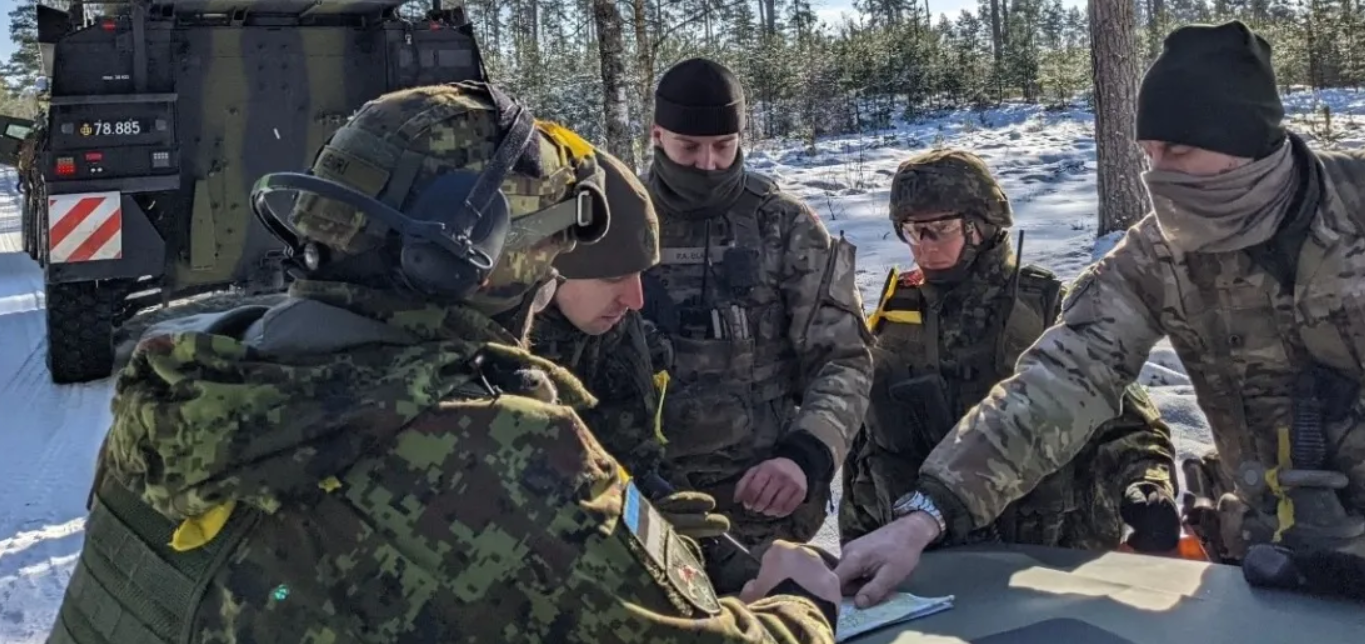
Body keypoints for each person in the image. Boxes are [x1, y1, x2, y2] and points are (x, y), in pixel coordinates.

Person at [47, 81, 842, 643]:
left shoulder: (184, 382)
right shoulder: (477, 443)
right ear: (470, 254)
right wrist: (802, 608)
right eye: (551, 244)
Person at [834, 20, 1365, 609]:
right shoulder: (1156, 255)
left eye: (1177, 150)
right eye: (1148, 153)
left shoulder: (1354, 210)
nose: (1156, 174)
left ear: (1241, 134)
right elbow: (1061, 380)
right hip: (1270, 561)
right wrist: (929, 509)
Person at [837, 148, 1179, 555]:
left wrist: (1146, 486)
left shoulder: (1046, 307)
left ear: (980, 226)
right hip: (920, 562)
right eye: (911, 231)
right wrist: (859, 542)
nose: (922, 246)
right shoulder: (895, 314)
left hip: (1042, 559)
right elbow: (868, 450)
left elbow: (1129, 423)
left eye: (939, 229)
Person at [639, 56, 874, 554]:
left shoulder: (785, 223)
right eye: (690, 147)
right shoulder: (622, 221)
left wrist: (807, 454)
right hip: (645, 502)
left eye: (723, 147)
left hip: (763, 506)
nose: (708, 164)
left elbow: (845, 359)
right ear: (658, 135)